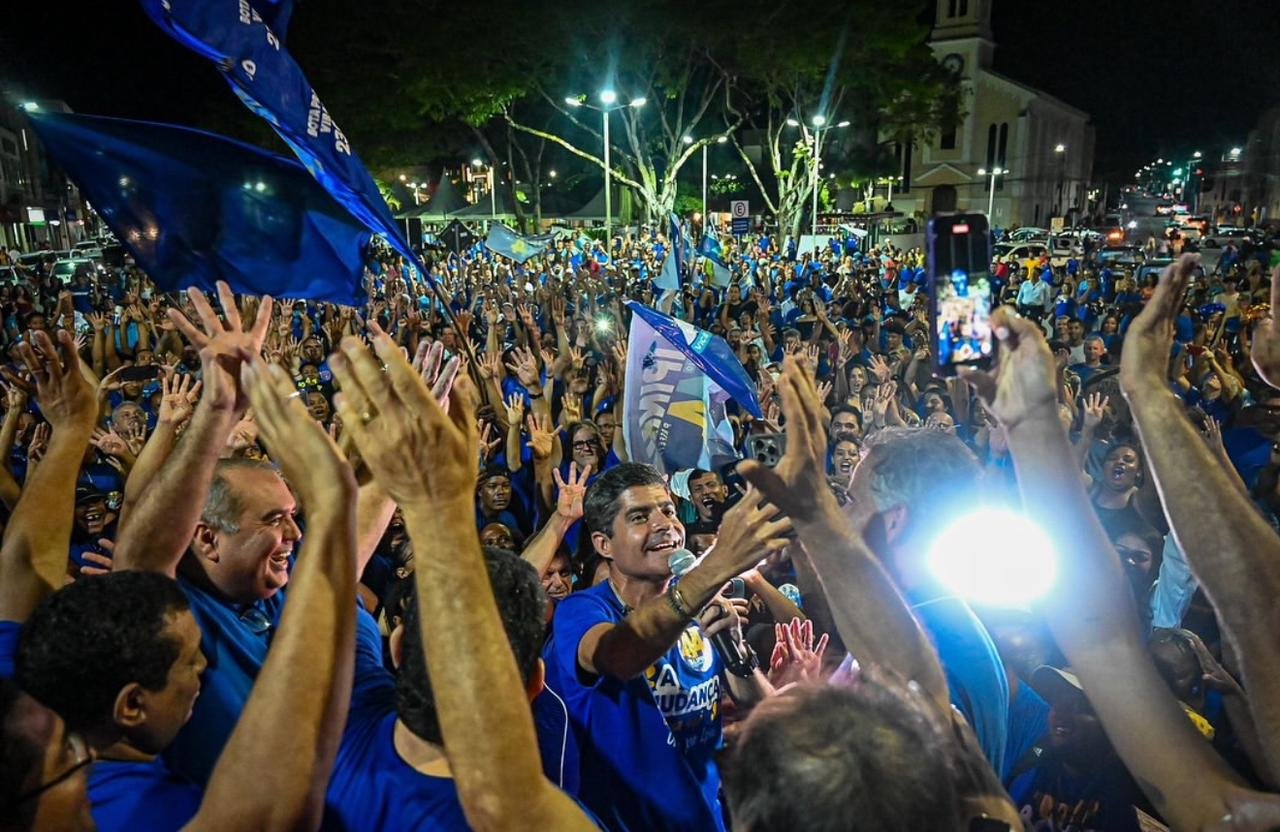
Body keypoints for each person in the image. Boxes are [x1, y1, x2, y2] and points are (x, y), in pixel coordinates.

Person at [326, 331, 599, 830]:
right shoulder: (547, 818)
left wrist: (403, 482)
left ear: (399, 647)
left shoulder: (343, 729)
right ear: (535, 683)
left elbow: (326, 586)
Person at [543, 462, 790, 831]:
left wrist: (737, 654)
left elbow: (765, 712)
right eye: (640, 516)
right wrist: (713, 570)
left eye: (669, 510)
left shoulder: (699, 605)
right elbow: (617, 656)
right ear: (603, 544)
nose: (665, 525)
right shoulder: (583, 611)